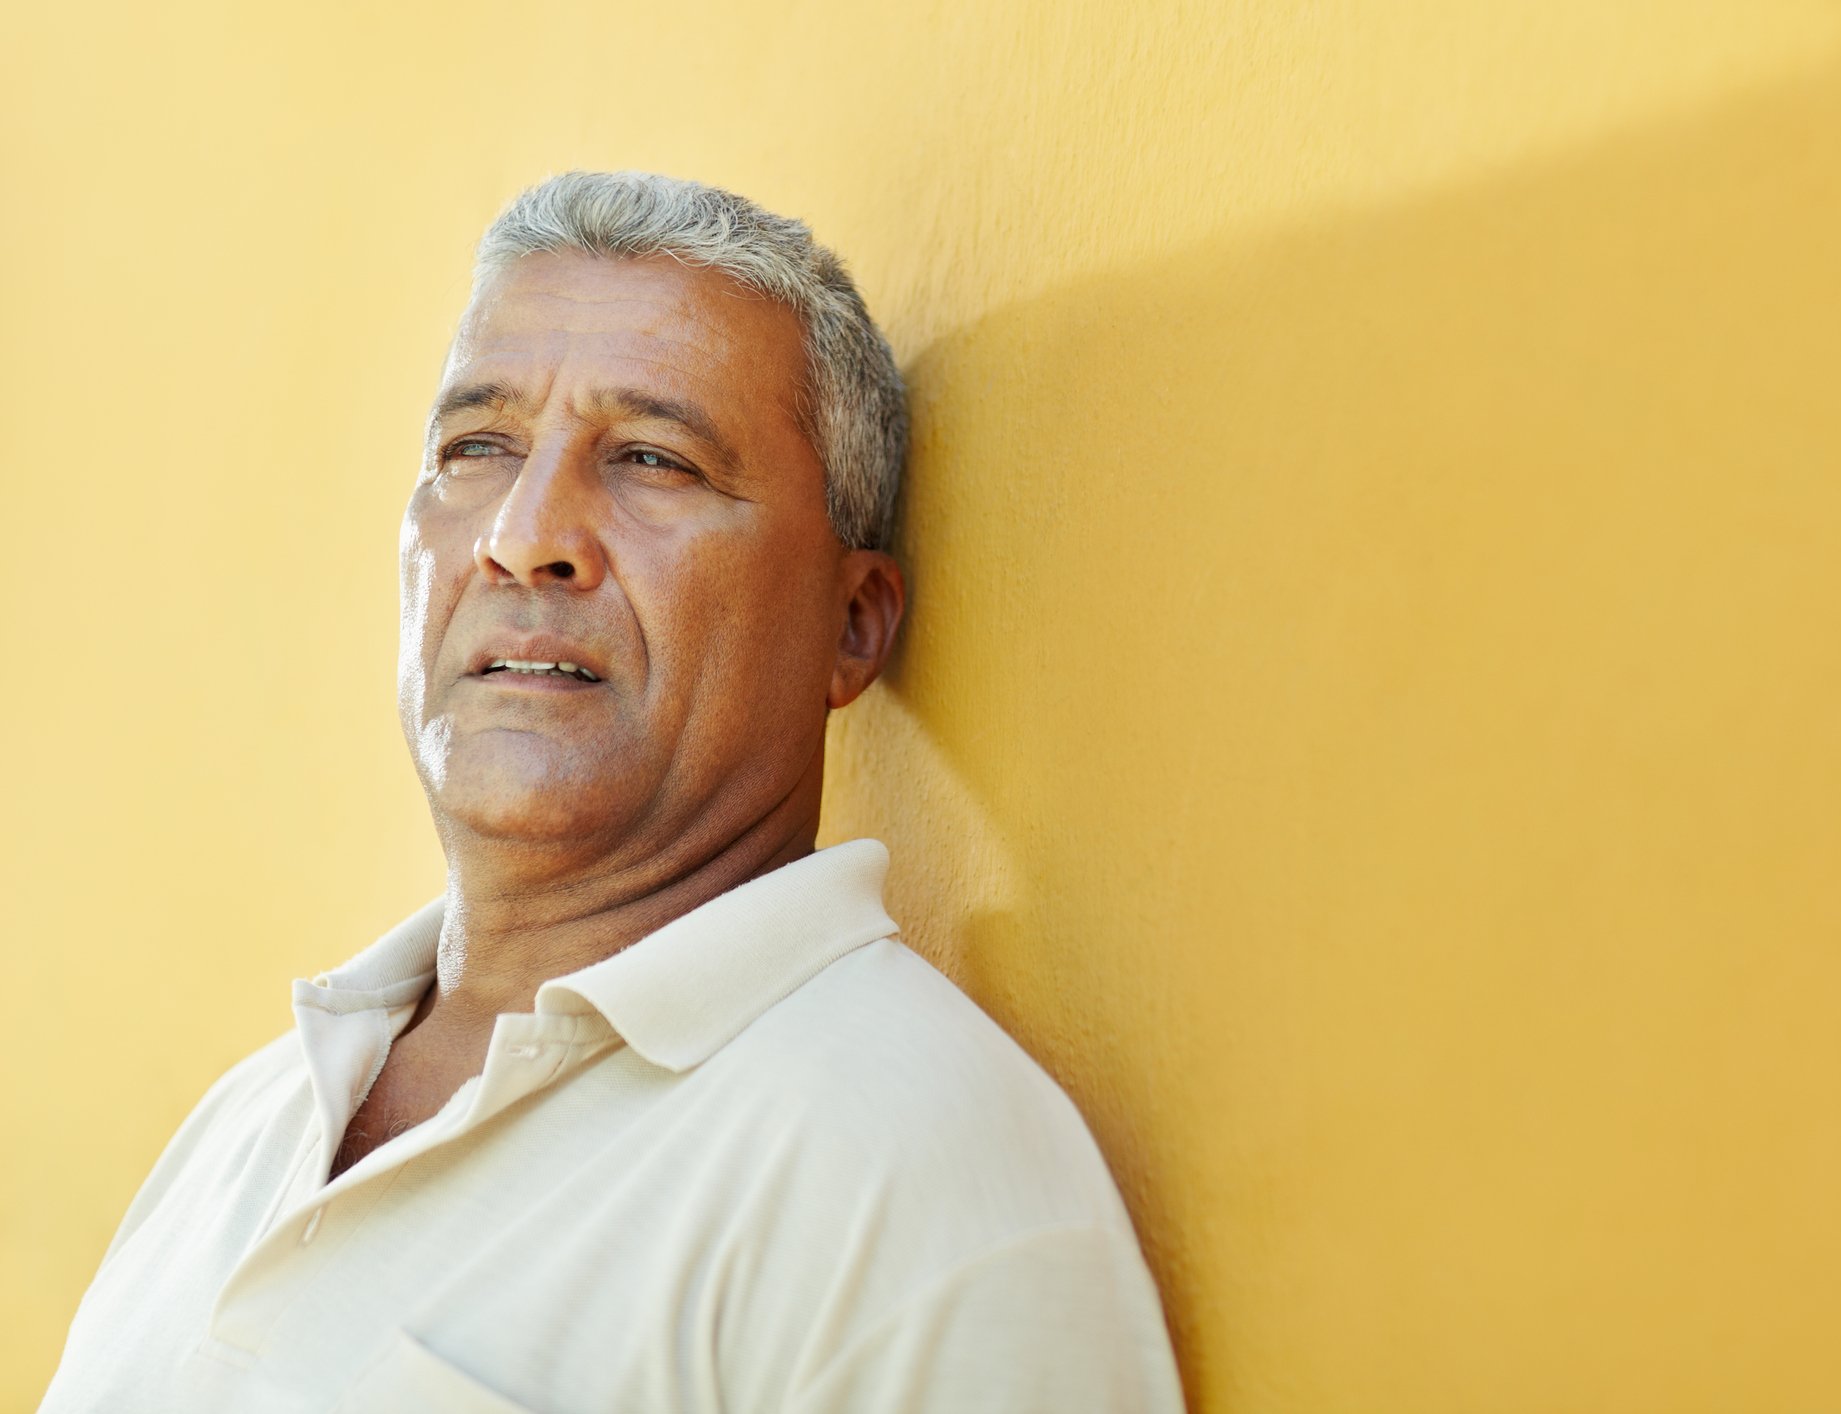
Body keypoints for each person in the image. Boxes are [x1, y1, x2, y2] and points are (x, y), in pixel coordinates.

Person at [41, 171, 1184, 1413]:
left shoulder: (921, 1187)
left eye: (652, 458)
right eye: (476, 447)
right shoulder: (245, 1124)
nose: (524, 534)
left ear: (851, 626)